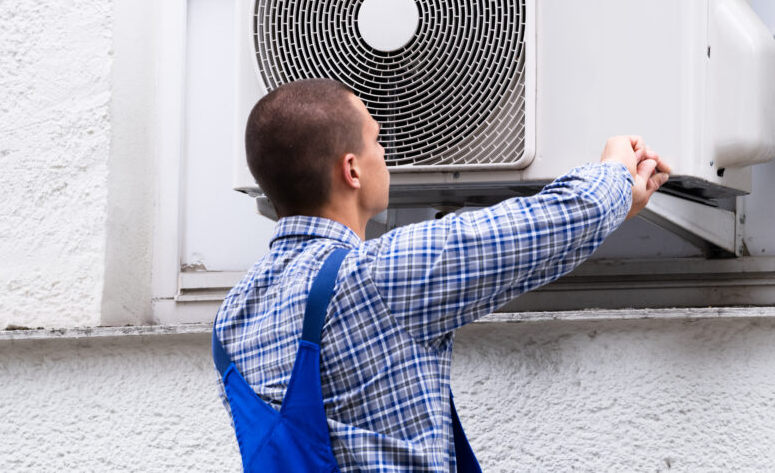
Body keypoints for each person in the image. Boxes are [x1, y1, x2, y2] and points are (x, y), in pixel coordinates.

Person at [213, 78, 670, 471]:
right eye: (376, 139)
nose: (385, 151)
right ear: (351, 169)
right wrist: (614, 171)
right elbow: (559, 219)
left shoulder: (232, 318)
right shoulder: (375, 277)